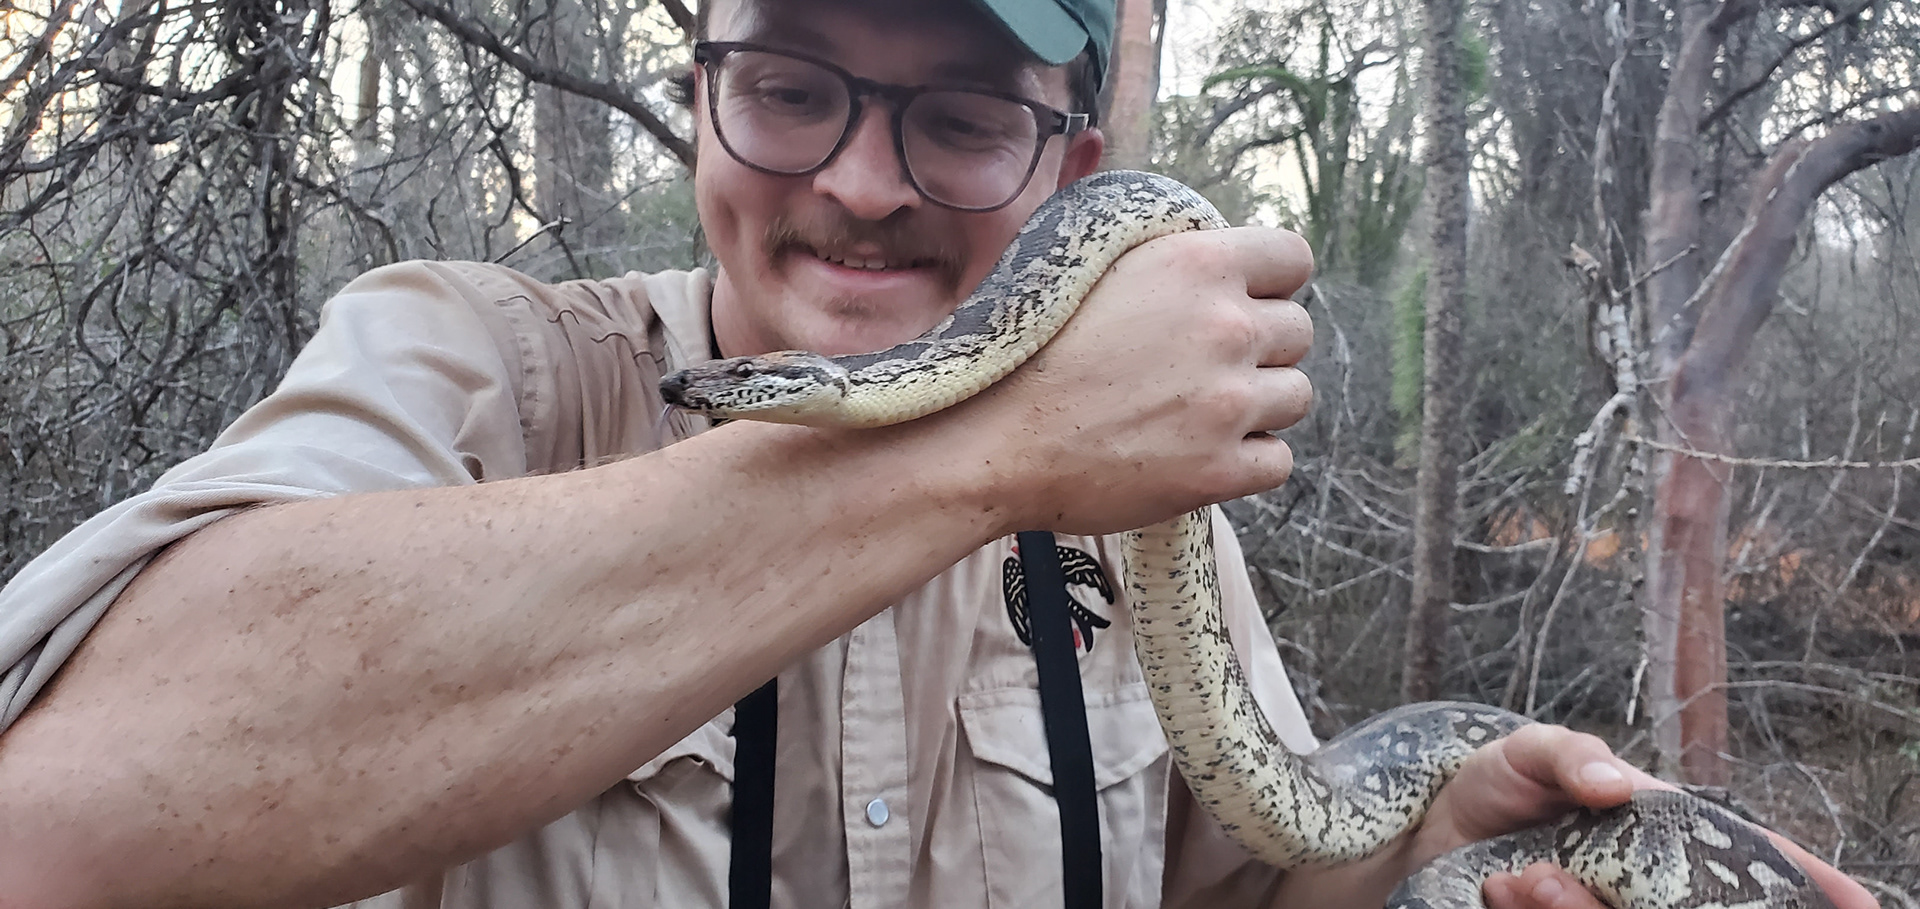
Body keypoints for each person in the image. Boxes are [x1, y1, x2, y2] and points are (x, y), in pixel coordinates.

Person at [0, 1, 1876, 907]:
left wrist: (1428, 842)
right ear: (704, 94)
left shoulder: (1150, 502)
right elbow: (57, 817)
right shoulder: (471, 370)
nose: (862, 184)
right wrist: (994, 456)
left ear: (1067, 168)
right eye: (796, 88)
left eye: (961, 118)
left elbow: (1242, 873)